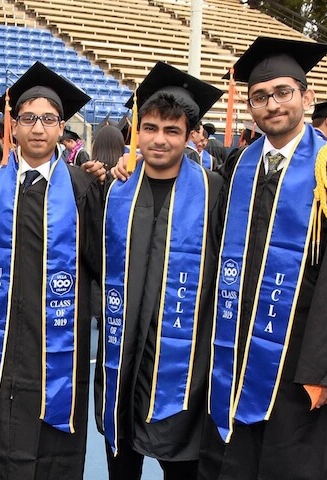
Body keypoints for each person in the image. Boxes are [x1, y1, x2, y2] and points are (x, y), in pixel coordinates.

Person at [198, 36, 327, 480]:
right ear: (250, 108)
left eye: (283, 92)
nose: (272, 104)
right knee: (237, 459)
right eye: (260, 97)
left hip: (304, 351)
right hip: (238, 343)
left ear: (306, 96)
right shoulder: (240, 165)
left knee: (296, 461)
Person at [0, 62, 101, 478]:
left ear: (61, 128)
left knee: (51, 445)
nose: (38, 128)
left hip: (57, 335)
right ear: (14, 125)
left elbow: (96, 260)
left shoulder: (81, 186)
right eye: (28, 119)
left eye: (48, 119)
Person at [97, 62, 225, 480]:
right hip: (123, 352)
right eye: (149, 128)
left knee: (182, 466)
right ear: (136, 131)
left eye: (172, 131)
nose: (159, 139)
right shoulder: (116, 189)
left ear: (190, 136)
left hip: (182, 360)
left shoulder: (213, 192)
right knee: (121, 461)